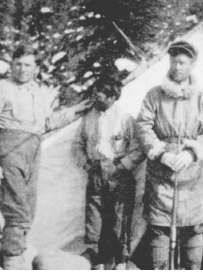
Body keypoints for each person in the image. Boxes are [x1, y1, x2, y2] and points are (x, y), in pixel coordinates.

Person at [0, 46, 90, 270]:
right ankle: (11, 262)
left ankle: (17, 256)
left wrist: (76, 110)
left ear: (36, 68)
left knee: (28, 210)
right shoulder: (1, 88)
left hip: (33, 150)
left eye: (28, 65)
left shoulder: (38, 91)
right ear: (12, 64)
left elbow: (47, 123)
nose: (22, 69)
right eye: (18, 63)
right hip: (9, 150)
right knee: (17, 212)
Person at [136, 40, 203, 270]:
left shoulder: (201, 98)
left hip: (192, 172)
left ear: (192, 65)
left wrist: (192, 152)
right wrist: (160, 152)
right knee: (159, 226)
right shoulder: (154, 95)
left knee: (193, 226)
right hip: (161, 169)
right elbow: (143, 126)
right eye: (174, 62)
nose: (177, 67)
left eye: (182, 62)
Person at [76, 75, 144, 270]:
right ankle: (97, 261)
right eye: (95, 94)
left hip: (119, 173)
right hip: (96, 172)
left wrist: (121, 165)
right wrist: (86, 164)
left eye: (101, 95)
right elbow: (77, 144)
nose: (96, 98)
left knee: (119, 220)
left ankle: (120, 261)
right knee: (94, 218)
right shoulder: (89, 118)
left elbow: (139, 148)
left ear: (112, 97)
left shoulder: (125, 118)